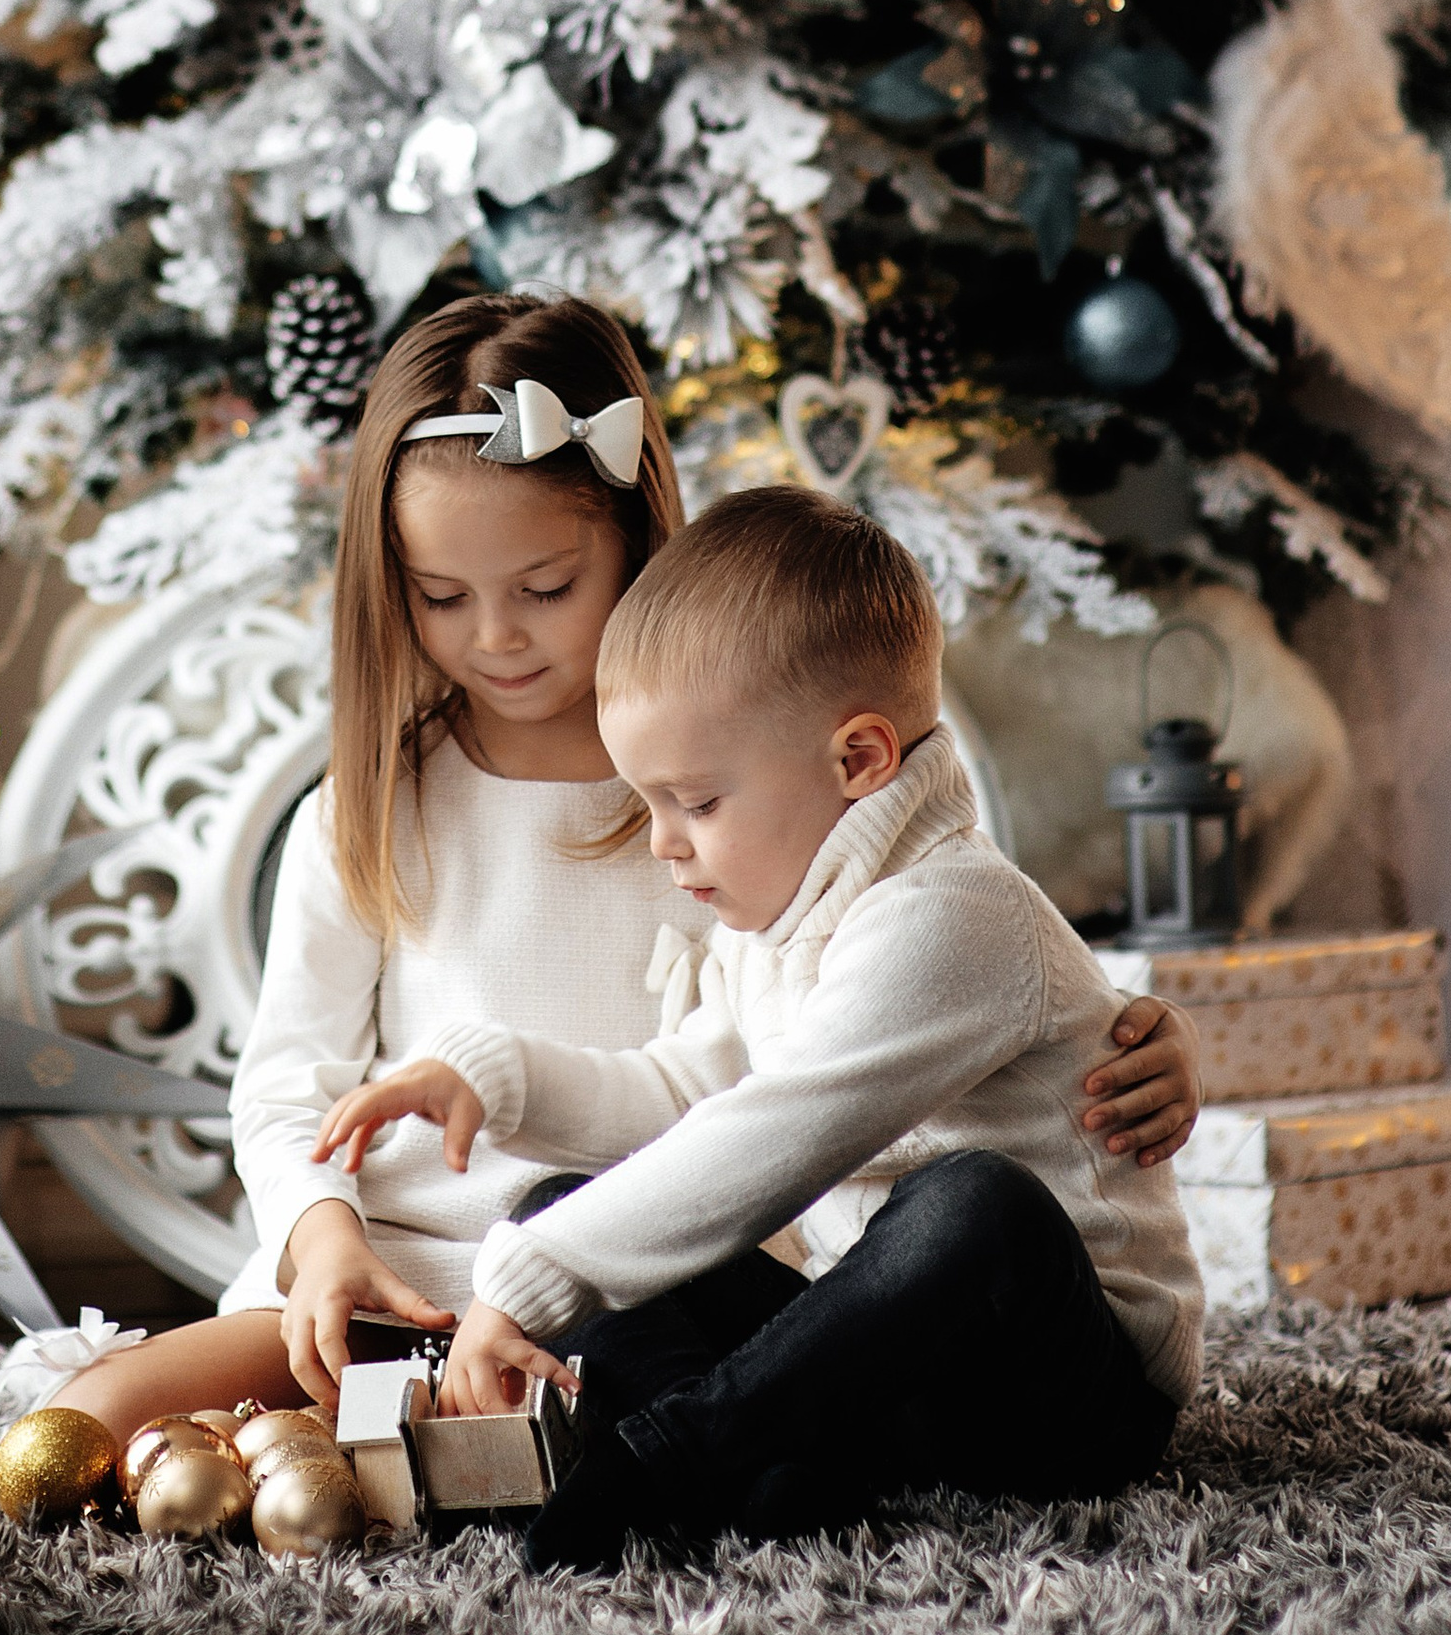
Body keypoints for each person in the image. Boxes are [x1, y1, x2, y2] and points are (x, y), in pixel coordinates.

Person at [30, 299, 1201, 1458]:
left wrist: (1142, 1034)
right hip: (391, 1268)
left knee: (624, 1399)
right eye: (441, 595)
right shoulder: (369, 807)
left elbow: (940, 971)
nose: (496, 634)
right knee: (83, 1423)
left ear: (634, 542)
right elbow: (289, 1085)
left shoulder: (748, 785)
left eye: (545, 587)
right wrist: (319, 1236)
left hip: (640, 1279)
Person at [313, 482, 1204, 1569]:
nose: (663, 842)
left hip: (1061, 1391)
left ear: (857, 760)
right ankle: (777, 1467)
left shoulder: (954, 915)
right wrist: (499, 1081)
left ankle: (680, 1451)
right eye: (650, 803)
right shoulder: (779, 918)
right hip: (882, 1371)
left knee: (976, 1203)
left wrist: (530, 1275)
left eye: (696, 802)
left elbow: (779, 1132)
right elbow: (685, 1091)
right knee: (561, 1201)